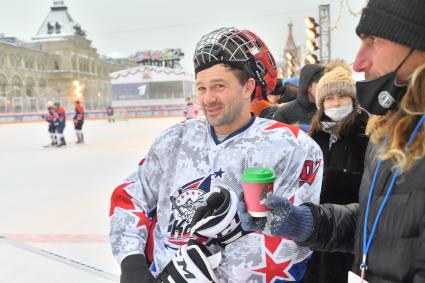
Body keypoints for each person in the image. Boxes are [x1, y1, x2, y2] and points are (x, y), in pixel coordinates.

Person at [109, 27, 323, 283]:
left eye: (219, 86)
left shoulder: (290, 147)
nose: (208, 98)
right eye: (201, 88)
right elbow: (131, 197)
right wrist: (131, 262)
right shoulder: (174, 140)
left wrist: (201, 275)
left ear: (248, 87)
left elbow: (290, 242)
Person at [238, 0, 425, 282]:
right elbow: (376, 225)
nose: (359, 62)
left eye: (373, 42)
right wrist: (302, 222)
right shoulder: (391, 131)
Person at [301, 60, 369, 283]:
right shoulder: (313, 137)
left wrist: (332, 179)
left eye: (342, 96)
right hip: (316, 234)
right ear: (321, 103)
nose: (336, 102)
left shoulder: (366, 134)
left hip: (349, 236)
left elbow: (371, 184)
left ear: (353, 98)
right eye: (329, 98)